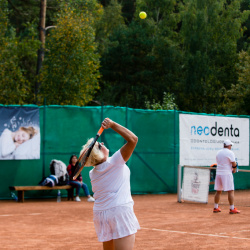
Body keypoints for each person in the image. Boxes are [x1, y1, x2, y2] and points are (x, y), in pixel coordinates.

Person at [80, 118, 140, 250]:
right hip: (119, 212)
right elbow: (133, 139)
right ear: (99, 153)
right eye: (100, 145)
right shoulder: (115, 162)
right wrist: (113, 125)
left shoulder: (92, 173)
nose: (102, 143)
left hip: (101, 214)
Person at [213, 139, 240, 214]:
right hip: (227, 174)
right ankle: (232, 208)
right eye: (230, 145)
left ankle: (216, 207)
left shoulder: (218, 152)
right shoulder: (230, 152)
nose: (231, 146)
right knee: (230, 191)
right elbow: (234, 163)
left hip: (218, 173)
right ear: (228, 145)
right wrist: (234, 169)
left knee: (218, 191)